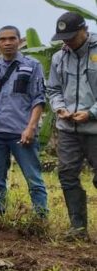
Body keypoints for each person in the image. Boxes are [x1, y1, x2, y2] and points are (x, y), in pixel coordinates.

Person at [0, 26, 48, 216]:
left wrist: (31, 127)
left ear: (19, 41)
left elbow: (39, 98)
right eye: (3, 39)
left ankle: (40, 218)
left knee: (33, 178)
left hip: (22, 131)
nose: (7, 43)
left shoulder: (32, 65)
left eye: (12, 38)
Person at [46, 12, 97, 239]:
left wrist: (91, 113)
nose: (67, 42)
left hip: (95, 128)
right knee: (67, 175)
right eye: (63, 37)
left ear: (84, 30)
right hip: (68, 129)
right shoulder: (59, 57)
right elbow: (53, 89)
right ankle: (78, 228)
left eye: (71, 37)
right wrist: (59, 107)